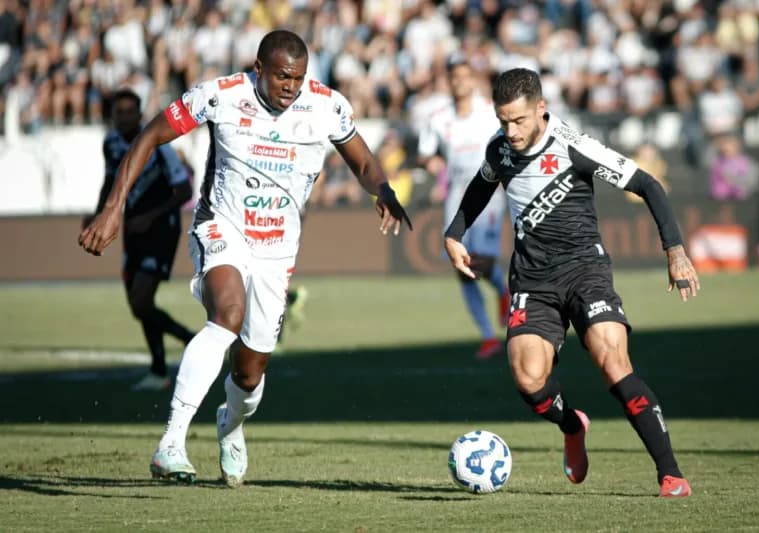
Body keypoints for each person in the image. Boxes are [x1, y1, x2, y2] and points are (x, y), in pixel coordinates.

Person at [78, 30, 411, 487]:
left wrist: (385, 190)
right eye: (281, 77)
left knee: (250, 374)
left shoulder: (326, 106)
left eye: (297, 77)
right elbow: (150, 136)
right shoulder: (220, 97)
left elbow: (364, 162)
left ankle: (231, 426)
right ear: (259, 70)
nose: (290, 87)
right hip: (222, 226)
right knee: (227, 314)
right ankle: (171, 442)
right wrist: (113, 207)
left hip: (277, 249)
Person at [444, 68, 699, 498]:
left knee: (614, 364)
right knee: (528, 380)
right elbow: (480, 185)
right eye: (503, 121)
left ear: (541, 109)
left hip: (586, 272)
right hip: (531, 280)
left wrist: (674, 252)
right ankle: (571, 425)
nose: (511, 131)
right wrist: (454, 233)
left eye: (519, 121)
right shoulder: (500, 149)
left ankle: (669, 472)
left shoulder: (574, 147)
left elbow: (648, 185)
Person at [84, 88, 195, 392]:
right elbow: (110, 180)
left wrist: (152, 216)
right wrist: (99, 215)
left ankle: (189, 341)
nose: (123, 117)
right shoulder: (111, 143)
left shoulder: (159, 145)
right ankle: (160, 369)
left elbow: (184, 191)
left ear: (140, 114)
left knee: (141, 299)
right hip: (132, 231)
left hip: (161, 230)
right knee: (139, 305)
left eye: (129, 112)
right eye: (118, 113)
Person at [418, 55, 509, 359]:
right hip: (457, 192)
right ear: (449, 80)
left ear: (473, 79)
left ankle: (502, 290)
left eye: (464, 76)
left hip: (488, 189)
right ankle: (488, 336)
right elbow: (425, 153)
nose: (459, 81)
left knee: (480, 260)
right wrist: (435, 168)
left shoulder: (488, 112)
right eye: (454, 76)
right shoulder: (439, 118)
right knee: (460, 265)